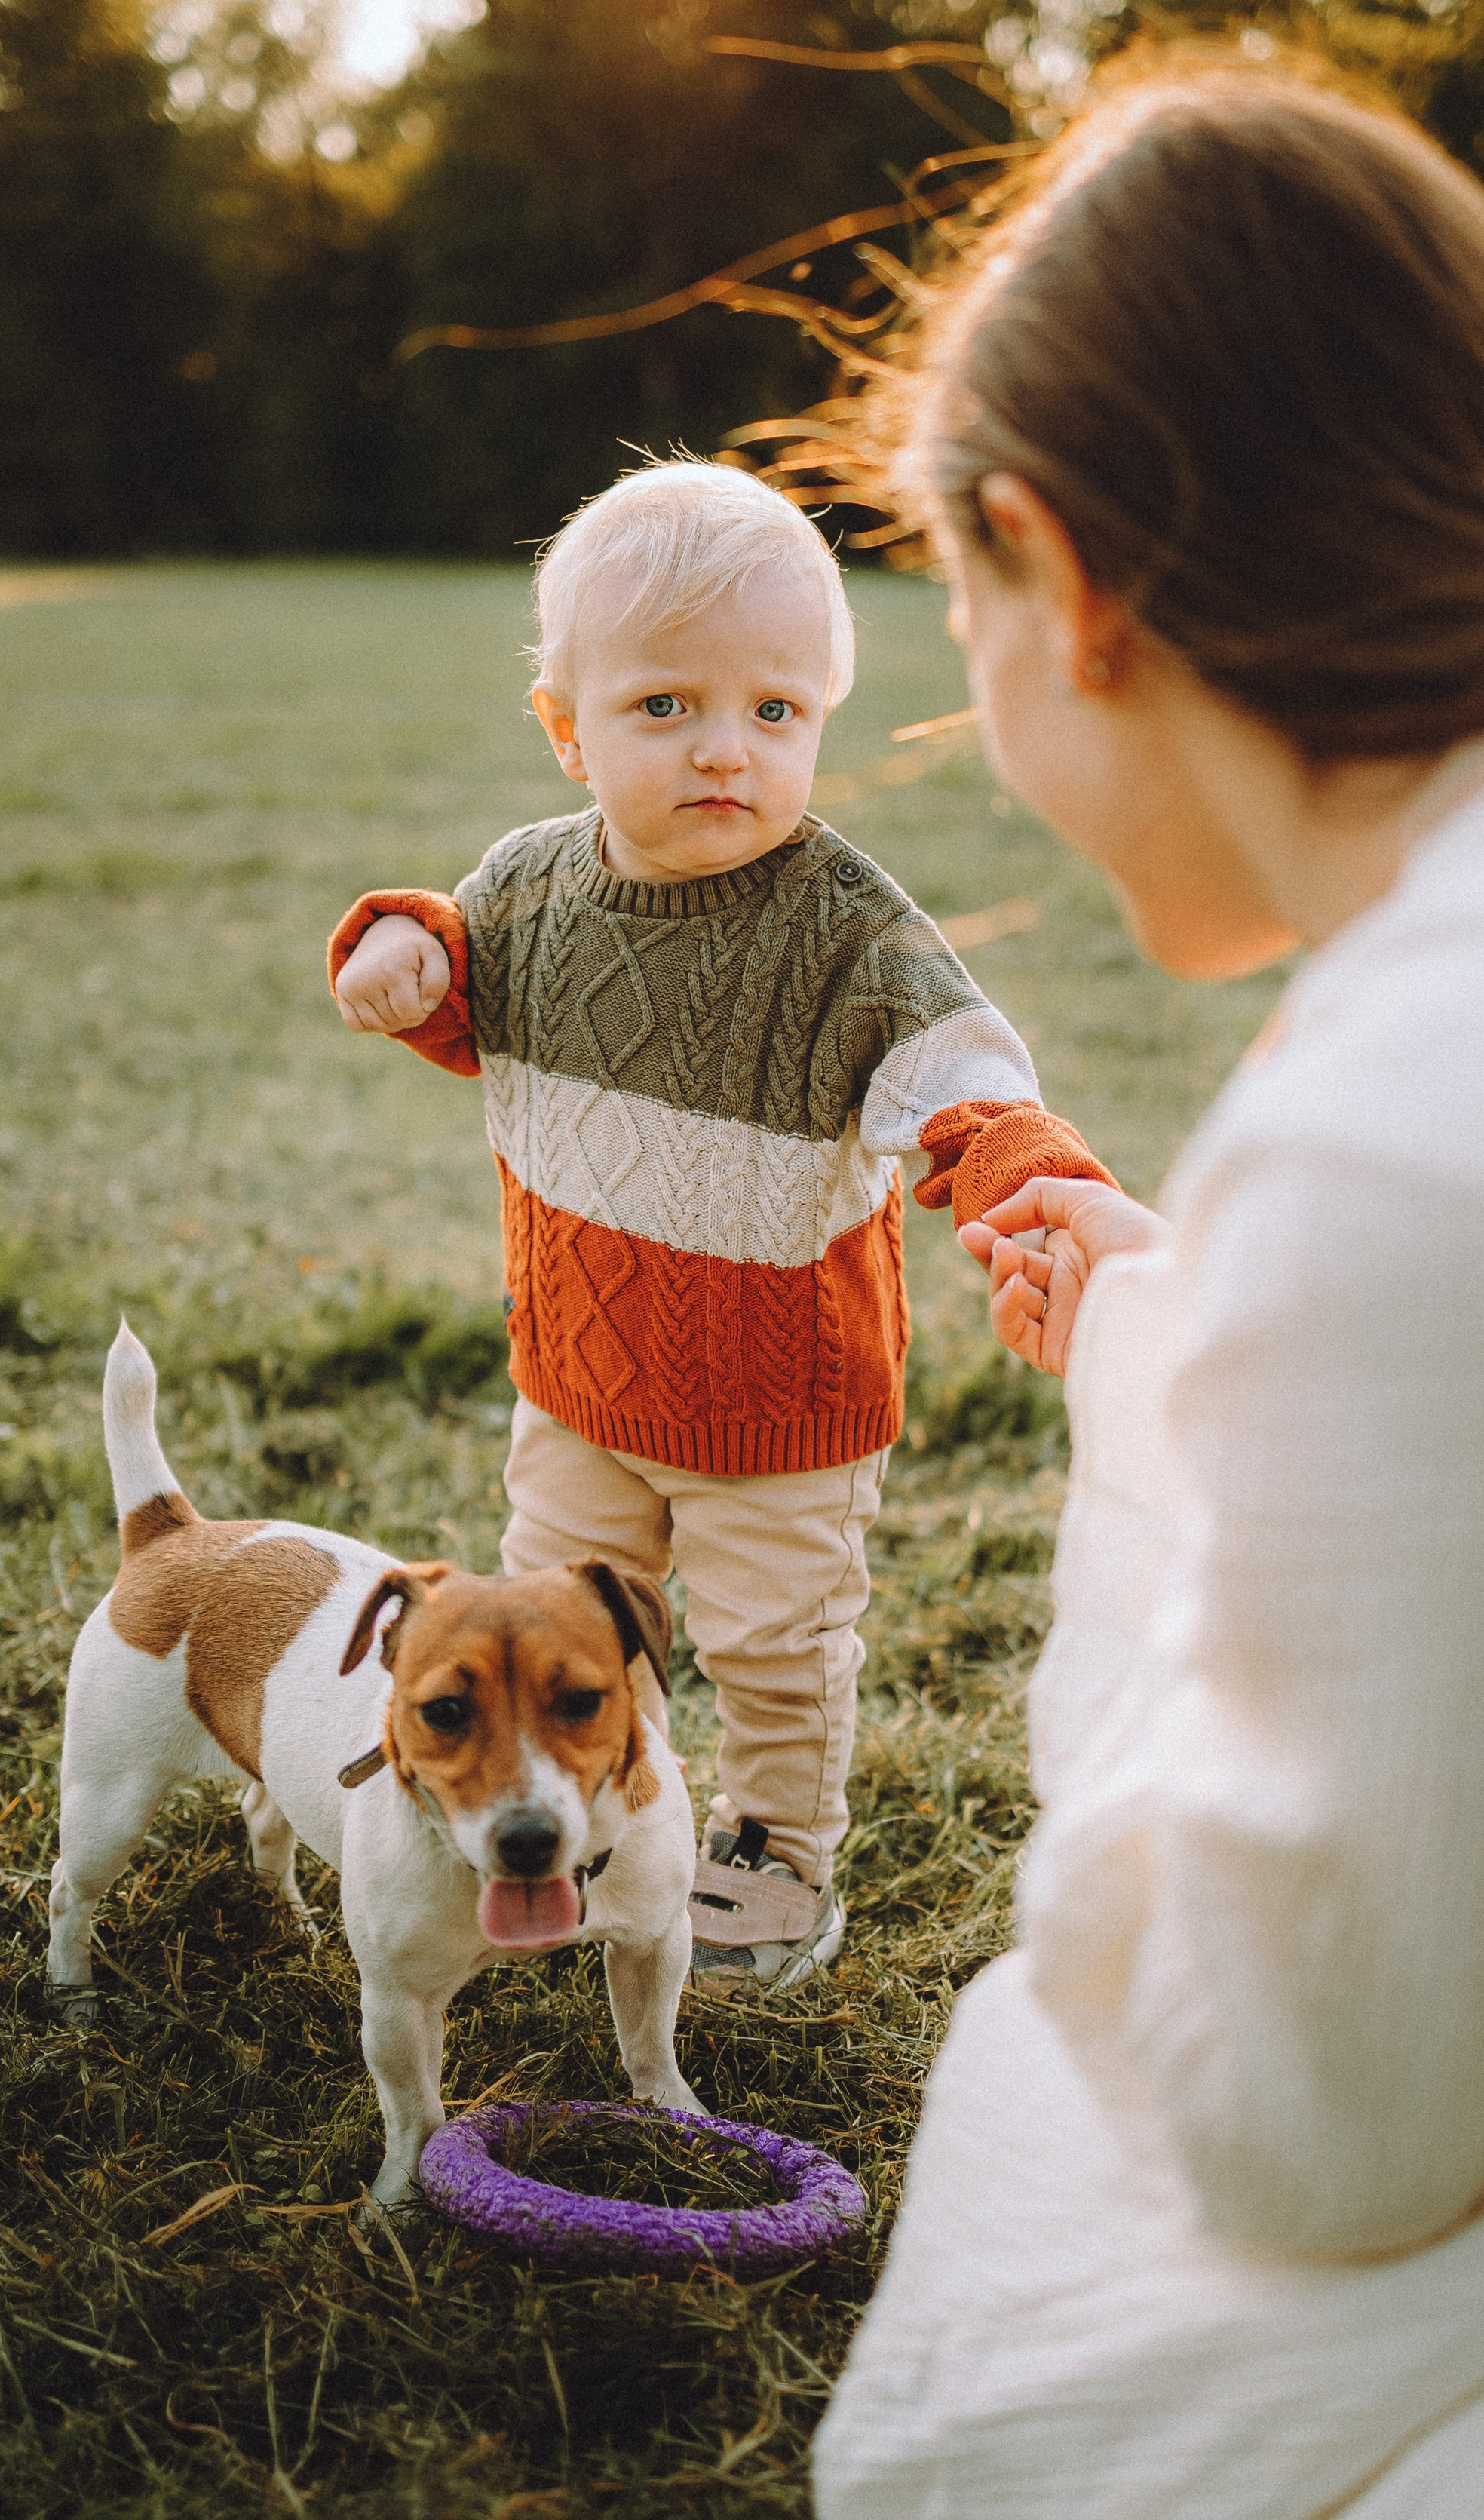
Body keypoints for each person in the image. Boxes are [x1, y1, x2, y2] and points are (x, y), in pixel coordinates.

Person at [812, 54, 1484, 2518]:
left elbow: (1319, 2121)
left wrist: (1160, 1557)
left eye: (957, 618)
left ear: (1072, 575)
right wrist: (1207, 1348)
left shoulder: (1416, 1126)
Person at [328, 459, 1113, 1986]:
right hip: (575, 1378)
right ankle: (596, 1810)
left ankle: (773, 1856)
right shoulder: (529, 887)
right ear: (566, 727)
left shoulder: (844, 928)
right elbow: (459, 983)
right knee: (563, 1633)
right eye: (664, 708)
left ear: (818, 718)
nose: (723, 752)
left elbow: (964, 1077)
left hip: (779, 1403)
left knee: (770, 1645)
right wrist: (401, 957)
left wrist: (1030, 1170)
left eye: (773, 714)